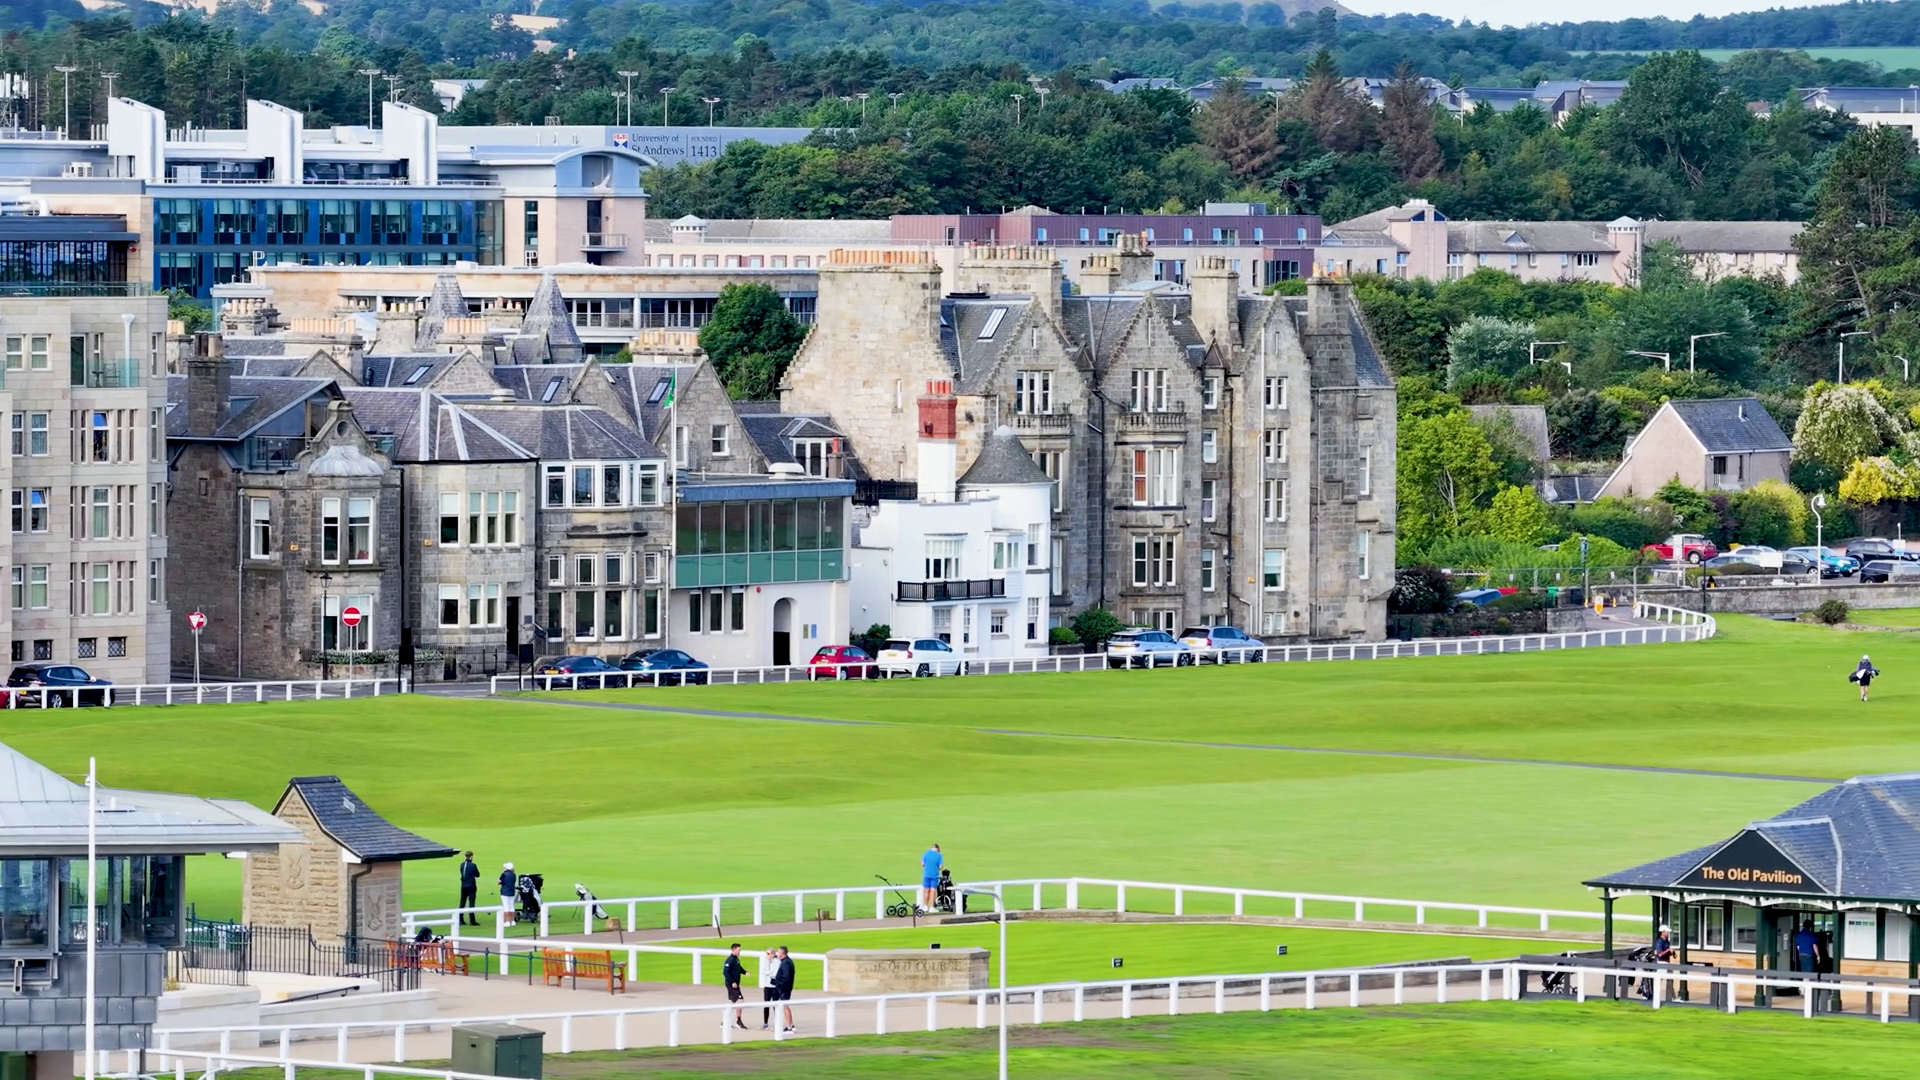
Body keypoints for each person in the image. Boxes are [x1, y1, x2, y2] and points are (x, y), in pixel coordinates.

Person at [722, 943, 748, 1029]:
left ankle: (724, 1022)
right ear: (733, 950)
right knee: (740, 1000)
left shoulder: (736, 959)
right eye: (738, 950)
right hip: (731, 984)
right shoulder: (730, 960)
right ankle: (738, 1021)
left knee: (733, 1002)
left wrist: (744, 972)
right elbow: (725, 972)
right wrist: (732, 982)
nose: (740, 952)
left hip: (735, 984)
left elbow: (738, 968)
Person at [773, 945, 797, 1034]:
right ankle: (791, 1025)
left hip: (784, 989)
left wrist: (779, 984)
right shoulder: (787, 961)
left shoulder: (786, 963)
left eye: (778, 952)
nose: (777, 954)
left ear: (782, 953)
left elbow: (786, 978)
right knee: (786, 1006)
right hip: (786, 988)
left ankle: (789, 1027)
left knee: (785, 1006)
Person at [758, 947, 779, 1030]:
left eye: (768, 953)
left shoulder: (777, 962)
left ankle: (777, 1023)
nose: (767, 955)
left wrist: (768, 973)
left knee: (775, 1005)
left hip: (774, 987)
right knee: (766, 1004)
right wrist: (769, 972)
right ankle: (765, 1023)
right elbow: (763, 972)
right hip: (767, 986)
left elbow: (775, 972)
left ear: (773, 954)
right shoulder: (765, 961)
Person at [919, 844, 943, 913]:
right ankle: (931, 907)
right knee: (933, 891)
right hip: (934, 875)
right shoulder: (939, 855)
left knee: (926, 891)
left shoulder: (926, 853)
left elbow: (923, 863)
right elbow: (940, 867)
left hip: (926, 875)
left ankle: (925, 906)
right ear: (938, 849)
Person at [458, 852, 480, 926]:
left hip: (463, 885)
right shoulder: (473, 865)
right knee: (471, 903)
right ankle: (472, 920)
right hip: (471, 885)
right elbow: (477, 874)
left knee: (462, 903)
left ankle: (460, 919)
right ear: (471, 857)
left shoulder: (462, 865)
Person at [498, 861, 517, 925]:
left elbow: (499, 882)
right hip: (512, 892)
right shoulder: (514, 874)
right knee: (511, 906)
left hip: (505, 892)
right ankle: (512, 921)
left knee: (506, 907)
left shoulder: (504, 874)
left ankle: (507, 921)